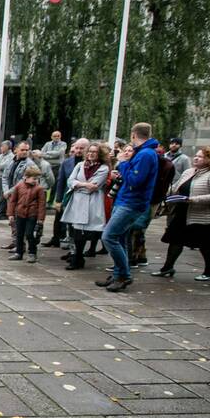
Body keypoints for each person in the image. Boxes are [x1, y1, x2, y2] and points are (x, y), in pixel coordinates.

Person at [97, 122, 160, 292]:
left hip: (132, 202)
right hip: (124, 199)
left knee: (109, 236)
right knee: (120, 238)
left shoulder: (146, 154)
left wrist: (123, 164)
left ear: (133, 135)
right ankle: (118, 274)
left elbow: (136, 180)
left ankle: (124, 274)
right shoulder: (143, 153)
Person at [150, 147, 210, 281]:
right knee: (175, 240)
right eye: (196, 156)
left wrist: (193, 200)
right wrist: (167, 194)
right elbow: (176, 187)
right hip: (183, 212)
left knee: (206, 245)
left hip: (206, 216)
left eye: (201, 157)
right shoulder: (189, 172)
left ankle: (209, 271)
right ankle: (167, 267)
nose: (196, 158)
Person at [61, 142, 110, 270]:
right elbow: (70, 181)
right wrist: (83, 185)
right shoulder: (80, 165)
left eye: (94, 152)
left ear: (99, 154)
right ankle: (77, 257)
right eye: (89, 151)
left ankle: (80, 256)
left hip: (92, 202)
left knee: (87, 231)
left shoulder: (103, 168)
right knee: (75, 231)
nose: (91, 154)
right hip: (77, 202)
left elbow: (94, 186)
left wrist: (79, 185)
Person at [127, 144, 175, 267]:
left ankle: (133, 256)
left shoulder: (165, 165)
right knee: (139, 229)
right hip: (150, 198)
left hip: (151, 199)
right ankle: (141, 255)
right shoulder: (161, 164)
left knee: (137, 228)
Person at [45, 137, 88, 247]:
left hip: (82, 198)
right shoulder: (67, 163)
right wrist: (58, 200)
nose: (78, 150)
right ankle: (56, 238)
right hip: (67, 196)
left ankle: (74, 246)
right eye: (76, 148)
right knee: (59, 218)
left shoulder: (89, 164)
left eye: (81, 148)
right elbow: (61, 182)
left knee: (75, 225)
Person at [0, 142, 40, 250]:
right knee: (12, 220)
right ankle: (15, 241)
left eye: (27, 150)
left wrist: (10, 191)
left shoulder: (30, 164)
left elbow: (23, 181)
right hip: (10, 196)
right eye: (22, 150)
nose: (25, 152)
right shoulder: (11, 161)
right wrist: (6, 190)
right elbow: (5, 177)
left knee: (19, 220)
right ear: (16, 150)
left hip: (22, 196)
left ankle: (20, 244)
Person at [7, 167, 46, 262]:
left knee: (29, 234)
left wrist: (40, 218)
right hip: (20, 214)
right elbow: (12, 201)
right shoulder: (18, 186)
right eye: (34, 178)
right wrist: (10, 214)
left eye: (37, 179)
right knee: (19, 234)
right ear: (26, 177)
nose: (35, 181)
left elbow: (42, 204)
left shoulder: (39, 189)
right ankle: (19, 252)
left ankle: (32, 253)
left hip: (32, 215)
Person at [41, 130, 67, 202]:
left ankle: (50, 201)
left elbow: (58, 153)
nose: (56, 137)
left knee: (54, 184)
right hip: (47, 166)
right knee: (44, 183)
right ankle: (42, 200)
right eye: (55, 136)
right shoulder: (47, 144)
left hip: (57, 166)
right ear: (51, 137)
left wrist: (47, 154)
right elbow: (42, 153)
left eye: (58, 136)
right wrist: (52, 155)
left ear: (60, 136)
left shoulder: (63, 144)